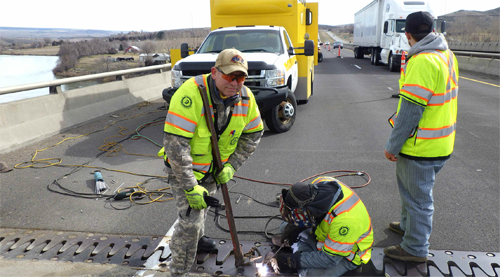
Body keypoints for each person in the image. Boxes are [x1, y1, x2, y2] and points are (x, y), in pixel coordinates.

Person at [159, 48, 264, 277]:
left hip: (214, 170)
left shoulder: (246, 98)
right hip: (184, 170)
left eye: (240, 77)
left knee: (202, 211)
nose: (235, 83)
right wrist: (189, 186)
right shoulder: (191, 94)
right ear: (214, 72)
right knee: (190, 223)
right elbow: (176, 146)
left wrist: (231, 165)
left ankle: (201, 240)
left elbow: (254, 133)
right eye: (229, 76)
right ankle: (178, 271)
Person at [384, 11, 459, 262]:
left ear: (408, 34)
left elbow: (410, 111)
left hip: (421, 147)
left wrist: (392, 145)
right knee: (411, 191)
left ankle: (415, 248)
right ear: (432, 30)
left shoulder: (422, 61)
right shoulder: (446, 55)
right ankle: (407, 226)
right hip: (441, 142)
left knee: (418, 200)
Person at [273, 177, 373, 277]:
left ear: (309, 209)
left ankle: (301, 247)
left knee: (310, 274)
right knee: (284, 227)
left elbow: (329, 259)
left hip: (346, 254)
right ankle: (303, 247)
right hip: (326, 234)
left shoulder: (345, 220)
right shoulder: (320, 183)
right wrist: (295, 226)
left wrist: (292, 261)